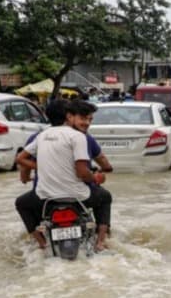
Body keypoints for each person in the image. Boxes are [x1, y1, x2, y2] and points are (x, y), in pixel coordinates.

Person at [14, 100, 113, 252]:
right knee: (105, 197)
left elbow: (20, 159)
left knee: (21, 203)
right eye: (82, 117)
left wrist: (43, 167)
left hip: (45, 198)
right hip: (78, 197)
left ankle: (41, 243)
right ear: (69, 117)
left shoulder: (41, 136)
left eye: (89, 119)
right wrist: (95, 178)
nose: (86, 123)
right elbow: (82, 172)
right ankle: (100, 242)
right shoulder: (79, 137)